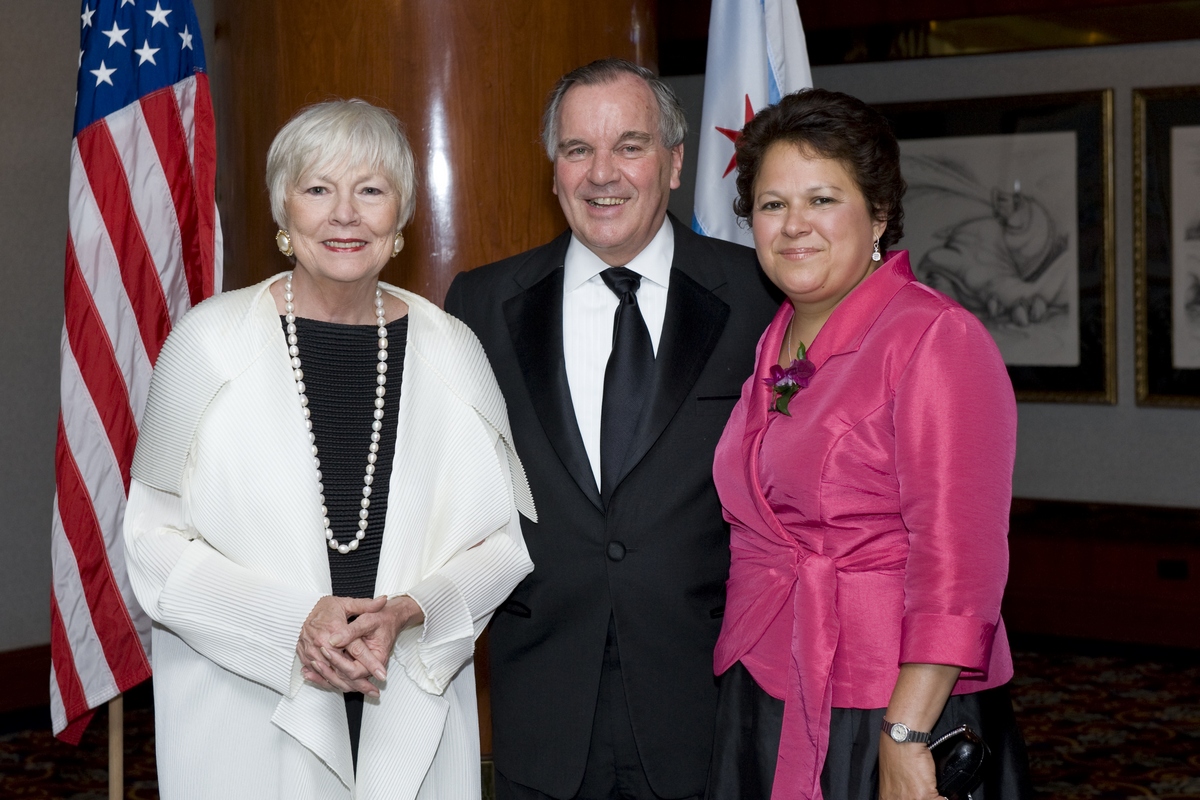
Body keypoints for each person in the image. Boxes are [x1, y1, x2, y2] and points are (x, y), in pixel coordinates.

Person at [123, 99, 535, 800]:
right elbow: (150, 538)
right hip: (246, 693)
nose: (345, 214)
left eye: (370, 190)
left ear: (400, 214)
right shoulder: (205, 343)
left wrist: (414, 608)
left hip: (408, 679)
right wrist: (293, 623)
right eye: (318, 189)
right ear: (284, 210)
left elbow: (503, 542)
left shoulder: (452, 348)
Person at [444, 59, 779, 800]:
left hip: (712, 699)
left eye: (630, 145)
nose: (603, 174)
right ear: (554, 168)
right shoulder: (481, 303)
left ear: (676, 162)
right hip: (543, 705)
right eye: (577, 150)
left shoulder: (760, 296)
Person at [706, 88, 1034, 800]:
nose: (794, 226)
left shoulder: (934, 338)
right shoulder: (778, 336)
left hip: (888, 702)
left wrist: (907, 731)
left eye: (822, 199)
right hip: (770, 681)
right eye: (771, 205)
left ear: (878, 213)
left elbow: (961, 561)